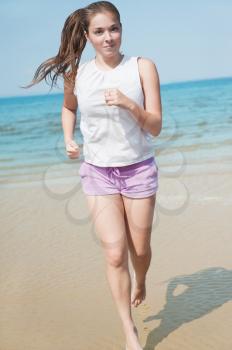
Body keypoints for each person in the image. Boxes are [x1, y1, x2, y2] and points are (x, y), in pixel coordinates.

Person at [23, 1, 162, 349]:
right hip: (98, 172)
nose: (108, 37)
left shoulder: (142, 67)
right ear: (87, 36)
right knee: (115, 253)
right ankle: (129, 330)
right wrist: (69, 139)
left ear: (121, 29)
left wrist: (130, 104)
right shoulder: (78, 74)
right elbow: (69, 107)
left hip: (138, 169)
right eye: (99, 31)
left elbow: (156, 126)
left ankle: (141, 279)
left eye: (113, 28)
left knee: (139, 249)